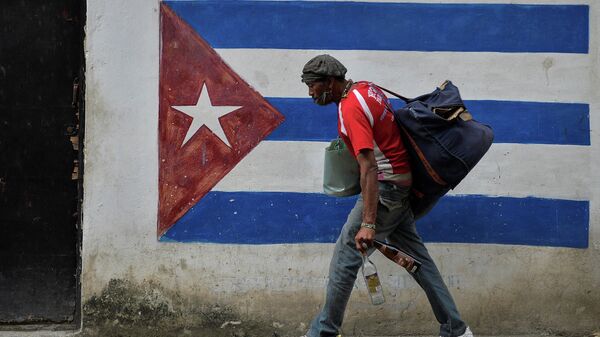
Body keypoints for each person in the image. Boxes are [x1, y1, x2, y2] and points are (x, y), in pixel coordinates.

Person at [300, 54, 473, 337]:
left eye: (312, 86)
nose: (310, 93)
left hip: (384, 190)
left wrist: (368, 223)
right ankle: (457, 329)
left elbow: (369, 166)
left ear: (329, 82)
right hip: (400, 187)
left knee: (345, 259)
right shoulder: (368, 89)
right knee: (419, 261)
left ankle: (323, 332)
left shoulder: (350, 107)